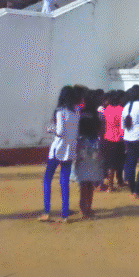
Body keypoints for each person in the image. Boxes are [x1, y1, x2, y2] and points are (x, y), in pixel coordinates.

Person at [40, 86, 79, 222]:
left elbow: (60, 131)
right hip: (70, 149)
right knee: (64, 181)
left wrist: (51, 130)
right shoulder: (76, 111)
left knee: (47, 179)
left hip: (58, 149)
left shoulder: (60, 111)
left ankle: (47, 211)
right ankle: (65, 213)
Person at [74, 89, 105, 218]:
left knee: (83, 181)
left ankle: (83, 209)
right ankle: (89, 208)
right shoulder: (99, 116)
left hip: (81, 148)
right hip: (94, 148)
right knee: (90, 181)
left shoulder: (79, 115)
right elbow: (102, 133)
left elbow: (75, 133)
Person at [102, 90, 125, 192]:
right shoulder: (121, 110)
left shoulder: (107, 109)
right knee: (116, 163)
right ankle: (114, 183)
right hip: (118, 139)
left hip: (108, 137)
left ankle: (110, 185)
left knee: (110, 164)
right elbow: (122, 126)